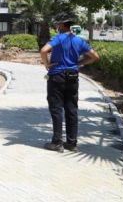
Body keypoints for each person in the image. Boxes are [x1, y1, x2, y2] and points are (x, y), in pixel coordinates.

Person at [40, 16, 99, 153]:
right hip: (73, 76)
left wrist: (47, 64)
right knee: (71, 109)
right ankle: (72, 143)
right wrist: (80, 63)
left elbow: (43, 51)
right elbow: (95, 56)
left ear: (62, 25)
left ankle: (57, 143)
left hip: (57, 77)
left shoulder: (58, 38)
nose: (57, 27)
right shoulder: (79, 40)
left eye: (58, 24)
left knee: (56, 109)